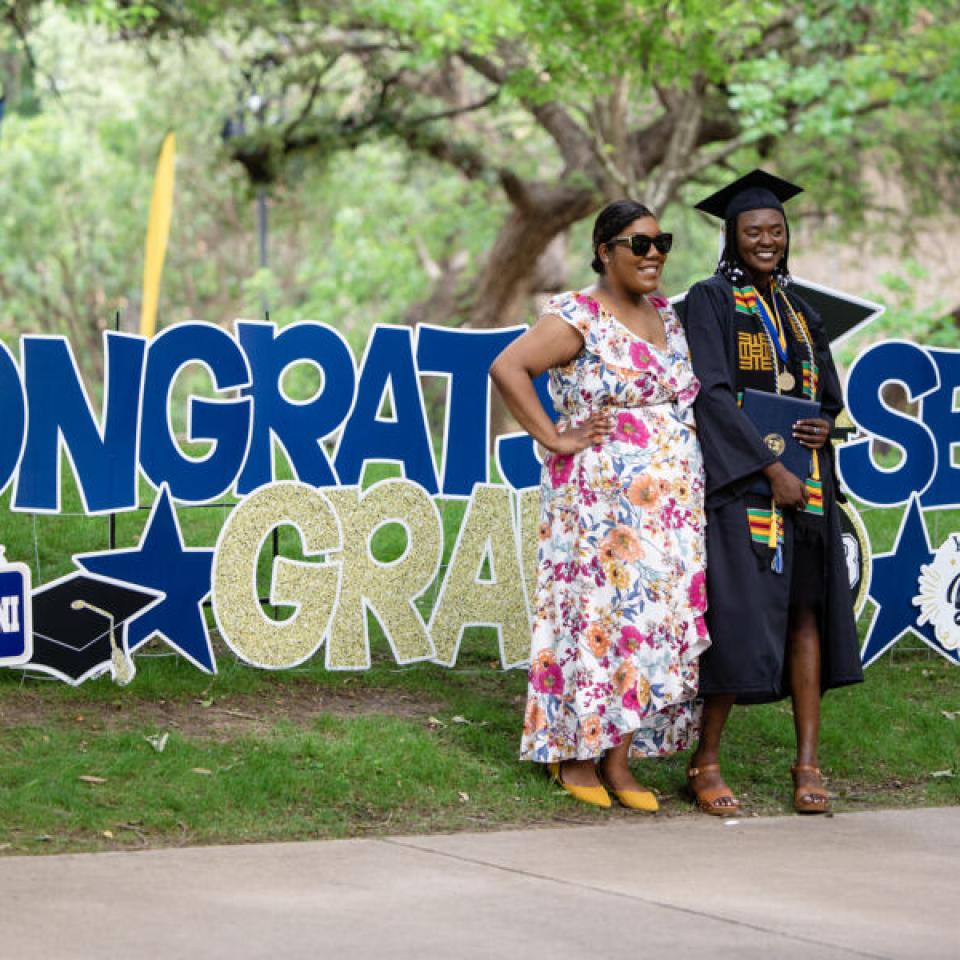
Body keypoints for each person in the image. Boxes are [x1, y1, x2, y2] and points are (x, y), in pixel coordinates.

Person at [489, 200, 709, 811]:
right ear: (605, 250)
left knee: (648, 626)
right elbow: (509, 368)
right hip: (598, 506)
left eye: (661, 242)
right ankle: (576, 754)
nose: (654, 254)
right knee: (596, 619)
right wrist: (556, 437)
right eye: (638, 244)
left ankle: (620, 757)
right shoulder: (577, 315)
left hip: (670, 510)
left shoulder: (668, 314)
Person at [682, 169, 864, 816]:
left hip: (810, 487)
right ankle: (704, 762)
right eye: (754, 231)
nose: (767, 241)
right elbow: (711, 393)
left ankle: (808, 765)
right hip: (745, 491)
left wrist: (822, 422)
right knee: (740, 617)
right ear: (732, 237)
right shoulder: (709, 301)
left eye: (776, 231)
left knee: (808, 614)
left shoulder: (802, 310)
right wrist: (768, 469)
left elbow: (826, 395)